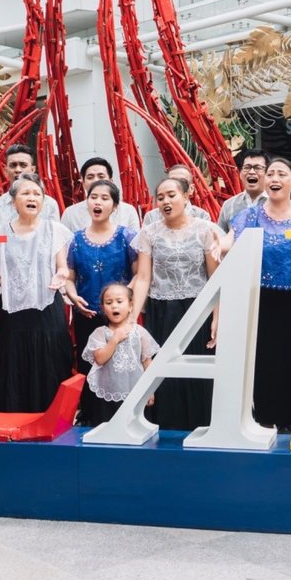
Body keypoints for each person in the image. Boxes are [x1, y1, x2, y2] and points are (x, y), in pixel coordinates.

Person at [229, 157, 291, 430]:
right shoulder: (248, 217)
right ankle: (265, 419)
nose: (275, 178)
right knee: (264, 359)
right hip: (260, 298)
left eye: (282, 174)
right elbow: (229, 242)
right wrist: (217, 246)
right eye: (271, 173)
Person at [132, 175, 222, 429]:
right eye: (160, 198)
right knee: (164, 369)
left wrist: (217, 316)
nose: (166, 201)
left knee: (198, 368)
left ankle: (202, 424)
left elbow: (215, 278)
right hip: (162, 309)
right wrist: (131, 319)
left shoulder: (205, 230)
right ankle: (168, 426)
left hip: (198, 310)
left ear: (186, 196)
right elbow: (143, 277)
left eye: (172, 195)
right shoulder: (149, 233)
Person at [0, 173, 74, 412]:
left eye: (37, 194)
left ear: (43, 200)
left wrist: (61, 274)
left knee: (50, 360)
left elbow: (62, 267)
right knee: (14, 361)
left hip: (47, 306)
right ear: (14, 201)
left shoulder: (55, 229)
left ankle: (51, 415)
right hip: (13, 311)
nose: (32, 198)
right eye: (25, 193)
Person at [63, 179, 140, 361]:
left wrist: (123, 298)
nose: (97, 202)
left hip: (121, 315)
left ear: (115, 206)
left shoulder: (128, 237)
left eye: (105, 198)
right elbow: (69, 278)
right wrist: (73, 297)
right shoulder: (74, 240)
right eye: (93, 197)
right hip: (87, 314)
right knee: (90, 365)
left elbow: (139, 274)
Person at [78, 283, 161, 427]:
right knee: (107, 429)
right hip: (107, 396)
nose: (114, 306)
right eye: (109, 303)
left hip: (136, 392)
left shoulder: (139, 332)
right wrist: (114, 339)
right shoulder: (100, 333)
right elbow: (100, 359)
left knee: (135, 429)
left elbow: (147, 362)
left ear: (130, 306)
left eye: (119, 301)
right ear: (103, 308)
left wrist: (150, 390)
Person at [0, 145, 61, 227]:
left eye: (23, 165)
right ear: (6, 171)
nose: (18, 170)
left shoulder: (49, 205)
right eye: (13, 165)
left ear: (33, 170)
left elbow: (55, 234)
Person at [61, 157, 142, 232]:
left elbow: (135, 241)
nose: (96, 180)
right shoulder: (70, 214)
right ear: (83, 182)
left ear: (111, 181)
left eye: (101, 176)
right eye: (90, 177)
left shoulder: (128, 211)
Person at [142, 164, 212, 227]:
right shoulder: (152, 217)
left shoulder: (201, 216)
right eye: (171, 182)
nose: (176, 186)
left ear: (191, 189)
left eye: (182, 182)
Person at [218, 149, 269, 232]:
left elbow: (288, 235)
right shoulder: (228, 205)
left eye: (258, 168)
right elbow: (221, 237)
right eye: (247, 167)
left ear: (268, 174)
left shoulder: (278, 204)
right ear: (240, 174)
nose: (252, 172)